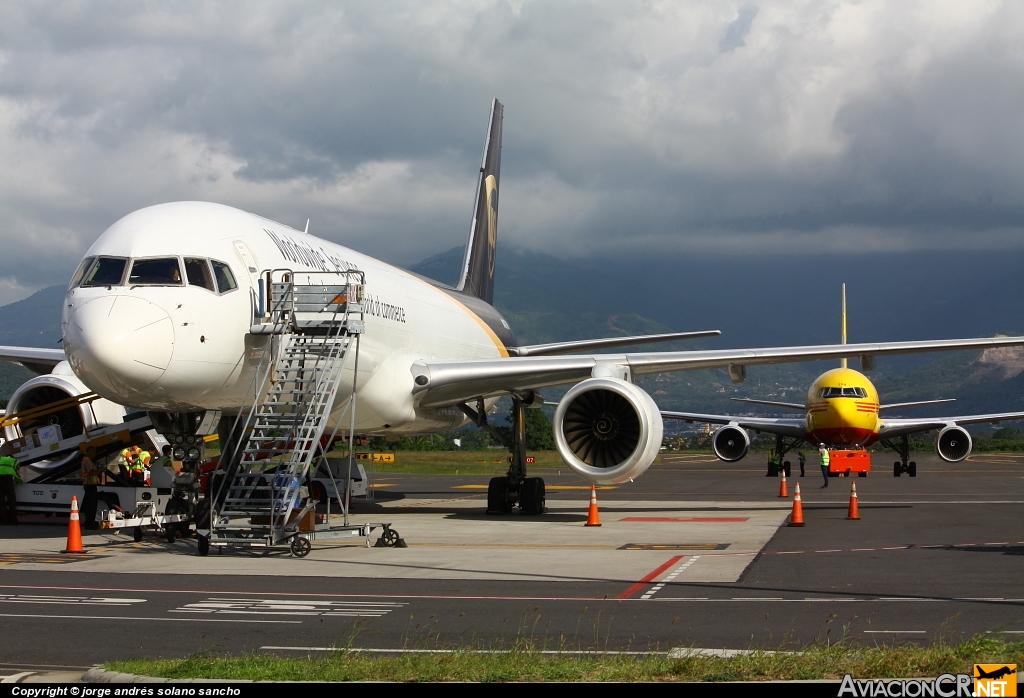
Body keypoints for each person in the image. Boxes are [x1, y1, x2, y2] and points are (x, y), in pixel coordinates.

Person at [80, 447, 103, 530]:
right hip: (89, 485)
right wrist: (100, 469)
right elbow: (92, 473)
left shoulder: (89, 461)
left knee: (92, 506)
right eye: (92, 453)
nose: (94, 454)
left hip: (91, 485)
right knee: (90, 506)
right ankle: (89, 524)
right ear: (88, 452)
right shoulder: (87, 461)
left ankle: (91, 523)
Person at [0, 453, 22, 525]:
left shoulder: (1, 459)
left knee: (1, 502)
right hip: (8, 482)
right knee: (11, 501)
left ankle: (4, 520)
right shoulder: (15, 461)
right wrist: (19, 481)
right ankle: (13, 520)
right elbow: (16, 473)